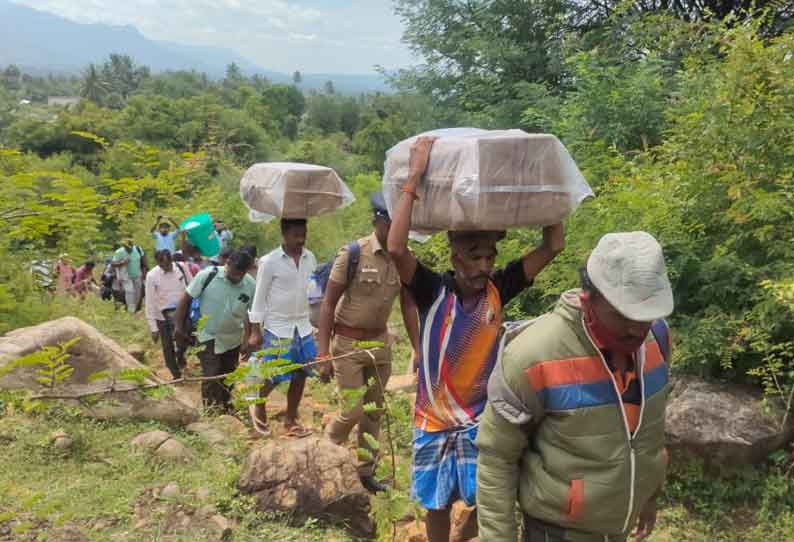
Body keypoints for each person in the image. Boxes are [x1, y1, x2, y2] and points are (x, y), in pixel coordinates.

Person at [386, 136, 565, 542]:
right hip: (433, 418)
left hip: (480, 421)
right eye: (475, 256)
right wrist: (414, 177)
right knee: (435, 503)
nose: (484, 265)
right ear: (455, 258)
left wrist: (545, 181)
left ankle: (464, 534)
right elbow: (396, 247)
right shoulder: (433, 291)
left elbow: (554, 244)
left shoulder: (499, 288)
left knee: (488, 496)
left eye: (489, 256)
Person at [476, 232, 674, 542]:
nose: (637, 327)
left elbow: (649, 431)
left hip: (619, 529)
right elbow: (496, 458)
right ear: (588, 299)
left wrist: (648, 496)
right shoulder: (532, 354)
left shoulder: (658, 340)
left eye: (646, 315)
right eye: (623, 315)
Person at [317, 192, 422, 493]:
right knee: (351, 410)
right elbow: (327, 304)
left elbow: (408, 306)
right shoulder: (352, 253)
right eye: (391, 221)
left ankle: (365, 472)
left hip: (380, 345)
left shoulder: (405, 257)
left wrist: (417, 347)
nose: (396, 227)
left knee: (374, 412)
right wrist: (323, 352)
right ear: (377, 220)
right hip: (348, 344)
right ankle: (324, 455)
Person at [246, 218, 316, 438]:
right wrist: (255, 330)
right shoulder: (270, 261)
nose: (300, 239)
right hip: (278, 326)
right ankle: (258, 403)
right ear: (284, 235)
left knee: (301, 373)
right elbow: (259, 296)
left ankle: (291, 418)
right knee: (276, 373)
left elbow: (314, 291)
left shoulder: (309, 257)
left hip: (303, 325)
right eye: (296, 235)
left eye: (303, 234)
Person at [174, 250, 256, 410]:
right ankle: (211, 412)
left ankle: (226, 408)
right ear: (228, 263)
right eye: (232, 272)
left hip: (233, 338)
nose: (235, 277)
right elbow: (185, 300)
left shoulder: (250, 285)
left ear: (245, 271)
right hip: (207, 335)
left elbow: (251, 314)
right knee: (211, 375)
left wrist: (248, 338)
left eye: (239, 274)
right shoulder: (207, 275)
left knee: (228, 375)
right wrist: (178, 327)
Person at [145, 250, 193, 379]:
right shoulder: (151, 276)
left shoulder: (181, 268)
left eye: (169, 263)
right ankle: (176, 375)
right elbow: (149, 302)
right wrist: (153, 327)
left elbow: (193, 286)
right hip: (162, 316)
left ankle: (181, 355)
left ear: (172, 259)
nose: (167, 266)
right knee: (167, 346)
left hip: (183, 312)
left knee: (184, 340)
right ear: (158, 263)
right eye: (163, 264)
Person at [111, 239, 147, 312]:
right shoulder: (119, 252)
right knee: (130, 291)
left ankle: (135, 309)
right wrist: (122, 263)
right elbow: (113, 264)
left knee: (137, 293)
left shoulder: (138, 249)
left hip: (137, 275)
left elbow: (143, 260)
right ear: (124, 246)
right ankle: (131, 310)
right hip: (126, 276)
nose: (129, 249)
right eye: (127, 247)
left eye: (130, 247)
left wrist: (144, 272)